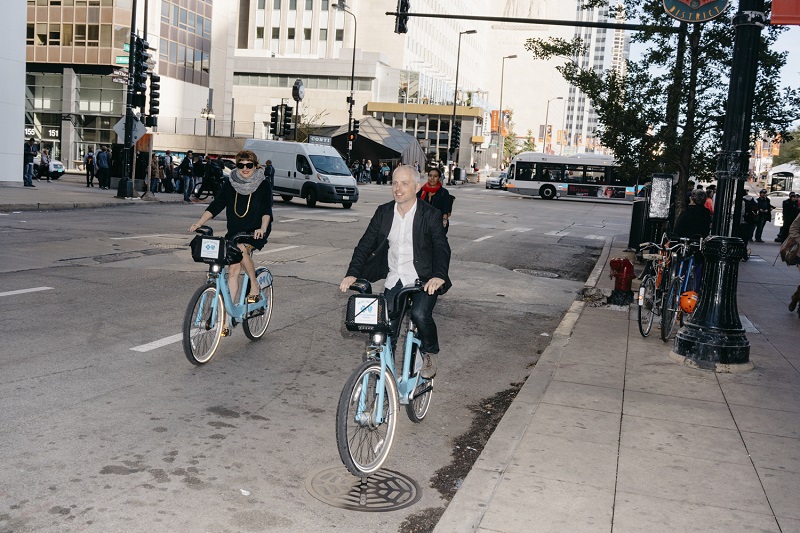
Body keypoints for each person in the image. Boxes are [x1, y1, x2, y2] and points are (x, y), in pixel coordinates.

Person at [339, 165, 451, 379]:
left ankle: (430, 352)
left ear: (417, 187)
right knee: (383, 327)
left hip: (424, 279)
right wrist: (352, 273)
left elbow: (441, 247)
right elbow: (365, 245)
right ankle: (385, 374)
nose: (398, 188)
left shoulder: (430, 215)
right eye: (395, 183)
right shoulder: (384, 212)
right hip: (395, 279)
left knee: (419, 314)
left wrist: (439, 276)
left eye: (404, 183)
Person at [189, 150, 274, 310]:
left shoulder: (263, 185)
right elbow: (217, 205)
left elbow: (266, 211)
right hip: (235, 232)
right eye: (241, 165)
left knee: (241, 248)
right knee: (232, 272)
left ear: (255, 166)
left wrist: (262, 228)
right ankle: (227, 319)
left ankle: (254, 284)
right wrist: (199, 223)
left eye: (249, 165)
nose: (245, 168)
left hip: (254, 232)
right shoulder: (231, 183)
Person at [417, 167, 453, 234]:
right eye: (430, 176)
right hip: (423, 224)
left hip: (437, 224)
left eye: (435, 176)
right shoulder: (422, 190)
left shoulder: (443, 192)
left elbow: (445, 208)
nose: (432, 178)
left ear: (439, 178)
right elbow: (414, 202)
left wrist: (444, 220)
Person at [739, 191, 759, 261]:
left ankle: (742, 255)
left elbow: (741, 212)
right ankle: (744, 255)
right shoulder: (753, 200)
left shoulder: (742, 201)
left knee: (741, 239)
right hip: (751, 222)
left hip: (743, 222)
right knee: (745, 240)